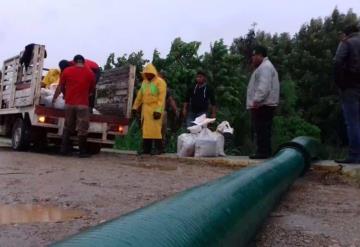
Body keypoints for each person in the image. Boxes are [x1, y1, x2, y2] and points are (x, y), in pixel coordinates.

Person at [54, 55, 96, 158]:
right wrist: (87, 94)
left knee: (68, 126)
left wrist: (65, 95)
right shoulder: (89, 73)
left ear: (74, 61)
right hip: (83, 105)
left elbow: (61, 86)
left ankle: (63, 150)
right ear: (83, 61)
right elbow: (92, 89)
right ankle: (82, 152)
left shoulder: (67, 71)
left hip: (69, 104)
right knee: (83, 128)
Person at [246, 46, 280, 159]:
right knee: (264, 129)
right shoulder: (264, 67)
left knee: (261, 128)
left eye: (254, 55)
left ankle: (263, 152)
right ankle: (265, 151)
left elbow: (264, 86)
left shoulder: (265, 67)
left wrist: (257, 99)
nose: (253, 58)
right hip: (265, 103)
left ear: (260, 55)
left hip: (263, 104)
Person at [334, 24, 360, 164]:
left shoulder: (347, 43)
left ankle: (355, 155)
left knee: (352, 123)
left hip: (350, 87)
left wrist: (340, 83)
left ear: (346, 33)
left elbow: (337, 62)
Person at [132, 64, 167, 155]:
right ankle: (146, 149)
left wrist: (158, 111)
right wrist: (135, 107)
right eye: (145, 73)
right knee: (146, 130)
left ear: (153, 73)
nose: (147, 75)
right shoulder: (144, 82)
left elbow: (161, 98)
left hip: (155, 109)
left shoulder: (160, 82)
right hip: (145, 110)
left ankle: (159, 149)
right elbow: (140, 96)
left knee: (156, 129)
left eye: (148, 73)